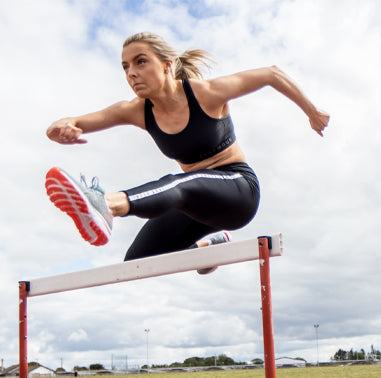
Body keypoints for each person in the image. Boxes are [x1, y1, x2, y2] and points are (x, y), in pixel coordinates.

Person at [45, 32, 329, 263]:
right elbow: (73, 121)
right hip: (194, 204)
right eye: (125, 67)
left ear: (167, 65)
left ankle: (106, 205)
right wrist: (60, 130)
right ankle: (205, 251)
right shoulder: (136, 110)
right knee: (138, 261)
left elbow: (271, 73)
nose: (131, 73)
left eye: (141, 62)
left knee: (179, 183)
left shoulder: (204, 93)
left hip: (239, 191)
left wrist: (312, 113)